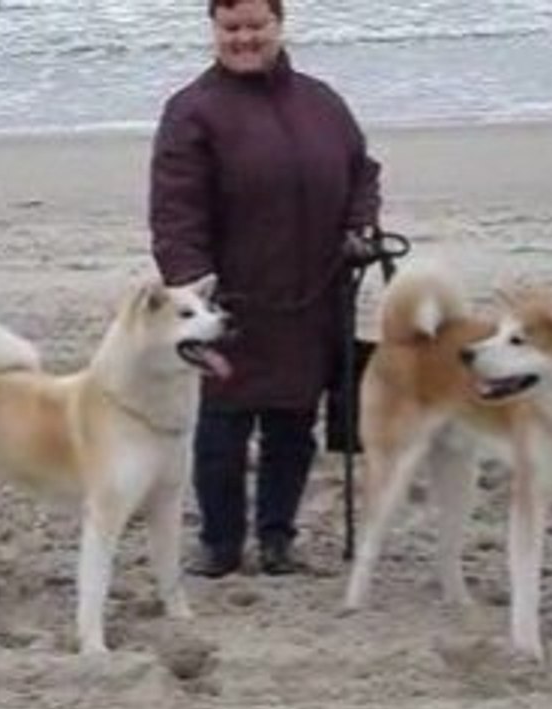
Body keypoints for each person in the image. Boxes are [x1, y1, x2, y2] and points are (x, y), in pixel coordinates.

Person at [149, 0, 381, 578]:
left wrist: (361, 228)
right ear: (214, 30)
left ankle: (278, 537)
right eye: (232, 28)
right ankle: (221, 543)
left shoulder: (322, 102)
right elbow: (175, 211)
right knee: (224, 426)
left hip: (315, 295)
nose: (244, 39)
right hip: (231, 302)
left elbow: (363, 174)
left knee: (293, 423)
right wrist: (191, 284)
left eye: (256, 26)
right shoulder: (192, 112)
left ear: (279, 25)